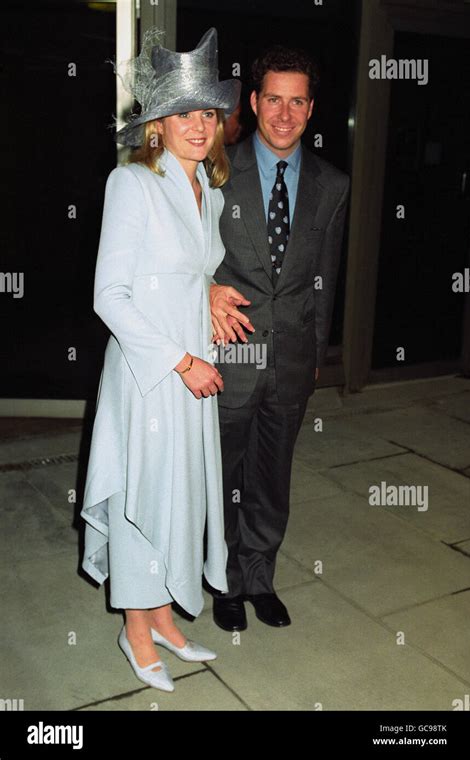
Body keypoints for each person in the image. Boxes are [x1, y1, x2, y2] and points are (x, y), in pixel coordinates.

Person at [80, 27, 241, 691]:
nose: (198, 126)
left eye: (207, 112)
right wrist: (180, 361)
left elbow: (174, 269)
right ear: (156, 125)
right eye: (182, 114)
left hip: (188, 368)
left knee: (178, 497)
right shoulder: (132, 184)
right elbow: (109, 297)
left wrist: (209, 290)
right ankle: (135, 629)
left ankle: (165, 617)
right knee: (142, 496)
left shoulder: (207, 186)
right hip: (152, 374)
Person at [210, 45, 350, 631]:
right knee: (222, 475)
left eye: (297, 102)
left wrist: (315, 357)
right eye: (274, 100)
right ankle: (222, 580)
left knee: (271, 474)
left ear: (312, 109)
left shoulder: (332, 184)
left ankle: (259, 578)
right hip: (232, 351)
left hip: (292, 357)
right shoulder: (216, 172)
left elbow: (327, 279)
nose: (284, 114)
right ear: (254, 102)